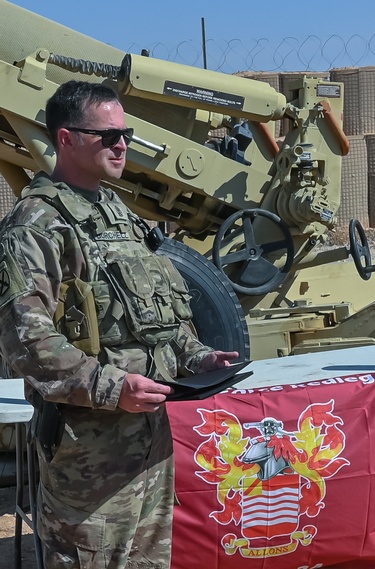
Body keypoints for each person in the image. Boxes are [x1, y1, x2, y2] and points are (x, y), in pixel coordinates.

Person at [0, 80, 239, 568]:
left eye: (125, 133)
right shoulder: (36, 224)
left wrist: (196, 356)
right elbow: (25, 339)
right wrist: (112, 389)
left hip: (148, 442)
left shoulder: (116, 213)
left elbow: (157, 313)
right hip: (89, 453)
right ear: (66, 139)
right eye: (108, 136)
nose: (123, 144)